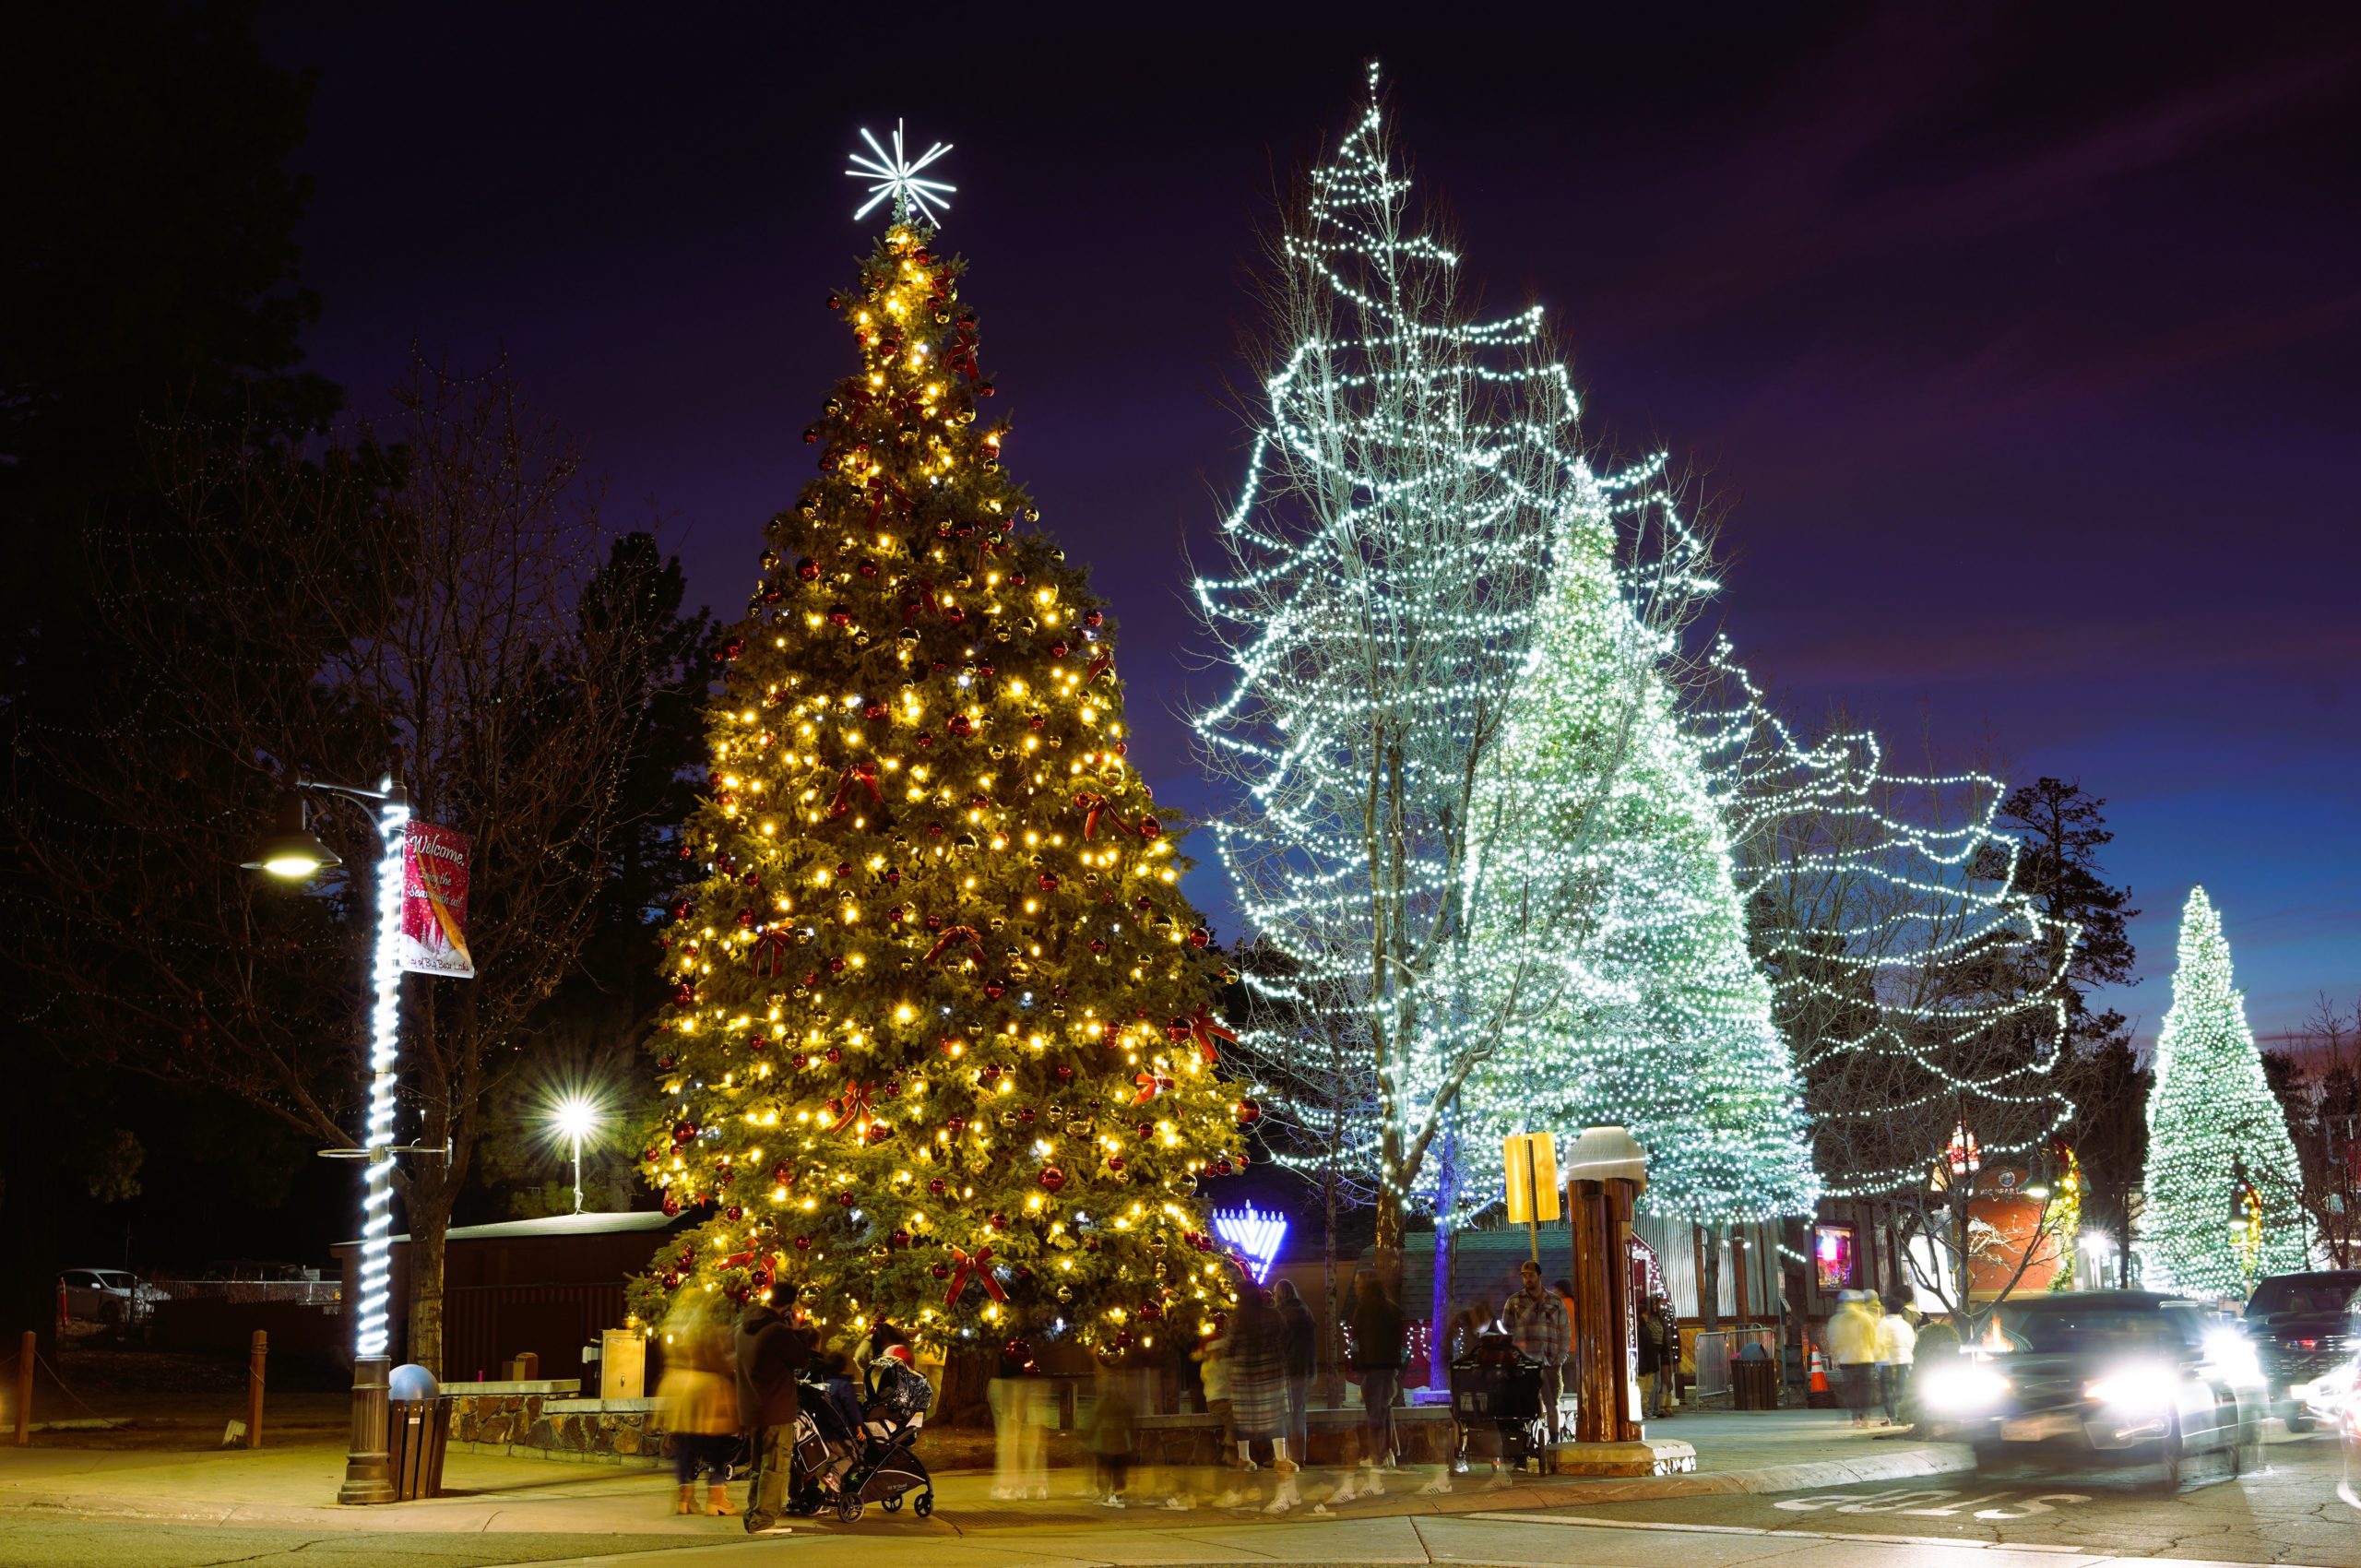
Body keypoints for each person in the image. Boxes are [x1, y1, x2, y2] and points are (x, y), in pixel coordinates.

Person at [736, 1294, 813, 1534]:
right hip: (776, 1409)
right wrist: (797, 1330)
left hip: (752, 1409)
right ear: (787, 1309)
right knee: (776, 1466)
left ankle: (753, 1515)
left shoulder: (744, 1330)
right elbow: (801, 1358)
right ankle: (764, 1520)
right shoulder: (776, 1331)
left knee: (759, 1466)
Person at [658, 1303, 741, 1518]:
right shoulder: (711, 1334)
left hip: (680, 1389)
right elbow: (719, 1362)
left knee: (686, 1447)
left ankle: (684, 1500)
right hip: (708, 1391)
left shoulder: (676, 1330)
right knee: (717, 1448)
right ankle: (716, 1500)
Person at [1224, 1284, 1300, 1511]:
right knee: (1276, 1420)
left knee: (1243, 1420)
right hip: (1271, 1374)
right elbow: (1286, 1338)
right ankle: (1282, 1462)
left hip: (1245, 1376)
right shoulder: (1274, 1315)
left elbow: (1229, 1349)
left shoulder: (1236, 1320)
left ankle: (1245, 1459)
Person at [1337, 1270, 1403, 1501]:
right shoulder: (1391, 1308)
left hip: (1372, 1366)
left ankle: (1377, 1455)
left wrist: (1359, 1366)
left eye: (1357, 1284)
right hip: (1388, 1365)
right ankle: (1386, 1453)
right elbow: (1398, 1338)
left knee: (1374, 1412)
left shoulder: (1364, 1309)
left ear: (1363, 1286)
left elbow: (1357, 1340)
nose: (1355, 1288)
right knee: (1382, 1409)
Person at [1501, 1259, 1570, 1441]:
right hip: (1524, 1363)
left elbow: (1565, 1330)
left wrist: (1559, 1357)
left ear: (1539, 1276)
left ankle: (1554, 1442)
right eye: (1524, 1276)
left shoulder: (1555, 1302)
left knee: (1552, 1404)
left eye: (1530, 1275)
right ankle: (1526, 1443)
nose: (1527, 1279)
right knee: (1525, 1406)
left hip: (1549, 1362)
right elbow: (1506, 1332)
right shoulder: (1514, 1301)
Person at [987, 1339, 1050, 1500]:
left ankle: (1010, 1486)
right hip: (1029, 1384)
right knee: (1032, 1438)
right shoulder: (1033, 1348)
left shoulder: (1005, 1375)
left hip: (1010, 1385)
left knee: (1010, 1439)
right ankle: (1034, 1485)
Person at [1273, 1278, 1317, 1471]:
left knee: (1290, 1414)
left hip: (1290, 1370)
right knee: (1299, 1412)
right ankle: (1299, 1455)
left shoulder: (1282, 1314)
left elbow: (1280, 1344)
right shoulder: (1305, 1311)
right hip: (1306, 1368)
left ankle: (1292, 1456)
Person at [1827, 1290, 1881, 1430]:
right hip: (1866, 1358)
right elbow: (1873, 1337)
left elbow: (1834, 1340)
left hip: (1847, 1359)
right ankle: (1867, 1419)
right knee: (1866, 1390)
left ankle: (1856, 1418)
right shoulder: (1866, 1318)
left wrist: (1840, 1352)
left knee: (1851, 1390)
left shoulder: (1837, 1320)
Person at [1085, 1367, 1137, 1507]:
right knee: (1118, 1470)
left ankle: (1106, 1493)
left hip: (1106, 1441)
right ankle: (1118, 1494)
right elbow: (1130, 1421)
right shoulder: (1123, 1404)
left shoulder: (1104, 1404)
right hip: (1120, 1442)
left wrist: (1087, 1436)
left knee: (1105, 1467)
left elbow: (1095, 1420)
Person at [1878, 1295, 1917, 1427]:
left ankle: (1892, 1416)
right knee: (1903, 1388)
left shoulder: (1883, 1324)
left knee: (1887, 1389)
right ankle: (1903, 1415)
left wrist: (1877, 1360)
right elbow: (1912, 1341)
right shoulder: (1905, 1325)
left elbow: (1878, 1343)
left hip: (1887, 1360)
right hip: (1905, 1358)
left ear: (1887, 1308)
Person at [1637, 1295, 1666, 1418]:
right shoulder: (1640, 1330)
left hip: (1650, 1361)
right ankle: (1642, 1409)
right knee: (1643, 1388)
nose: (1647, 1316)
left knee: (1648, 1387)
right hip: (1644, 1363)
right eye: (1645, 1314)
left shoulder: (1646, 1328)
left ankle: (1646, 1408)